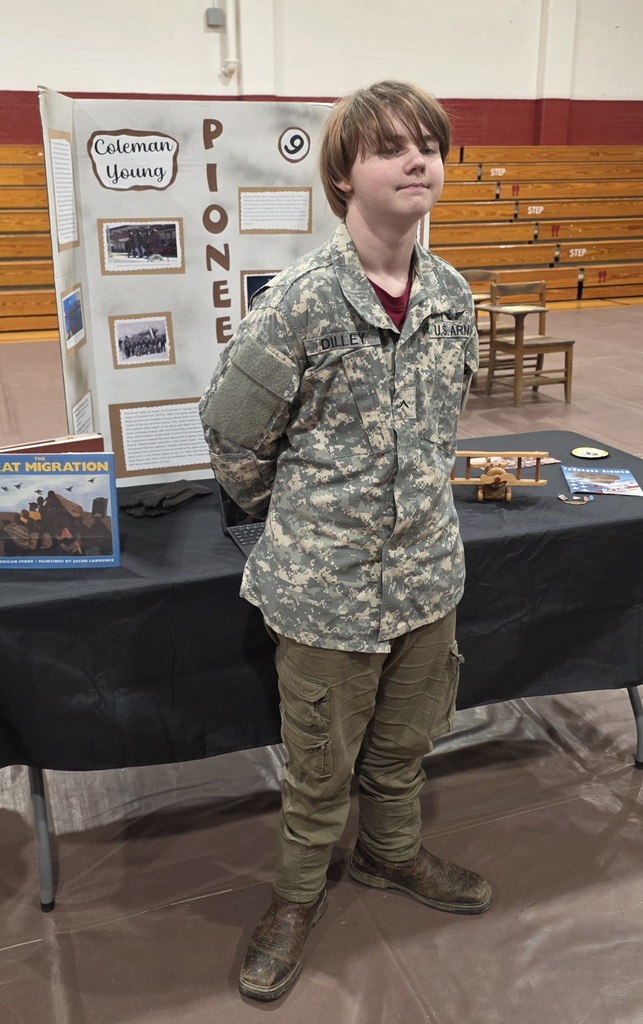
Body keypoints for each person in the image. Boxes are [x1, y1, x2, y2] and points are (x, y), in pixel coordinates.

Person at [199, 79, 490, 1002]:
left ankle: (390, 856)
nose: (417, 160)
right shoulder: (300, 301)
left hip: (425, 578)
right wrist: (298, 523)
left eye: (429, 145)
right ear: (342, 173)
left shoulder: (449, 296)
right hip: (323, 589)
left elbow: (441, 431)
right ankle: (294, 899)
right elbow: (233, 433)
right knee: (320, 764)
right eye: (390, 147)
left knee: (405, 744)